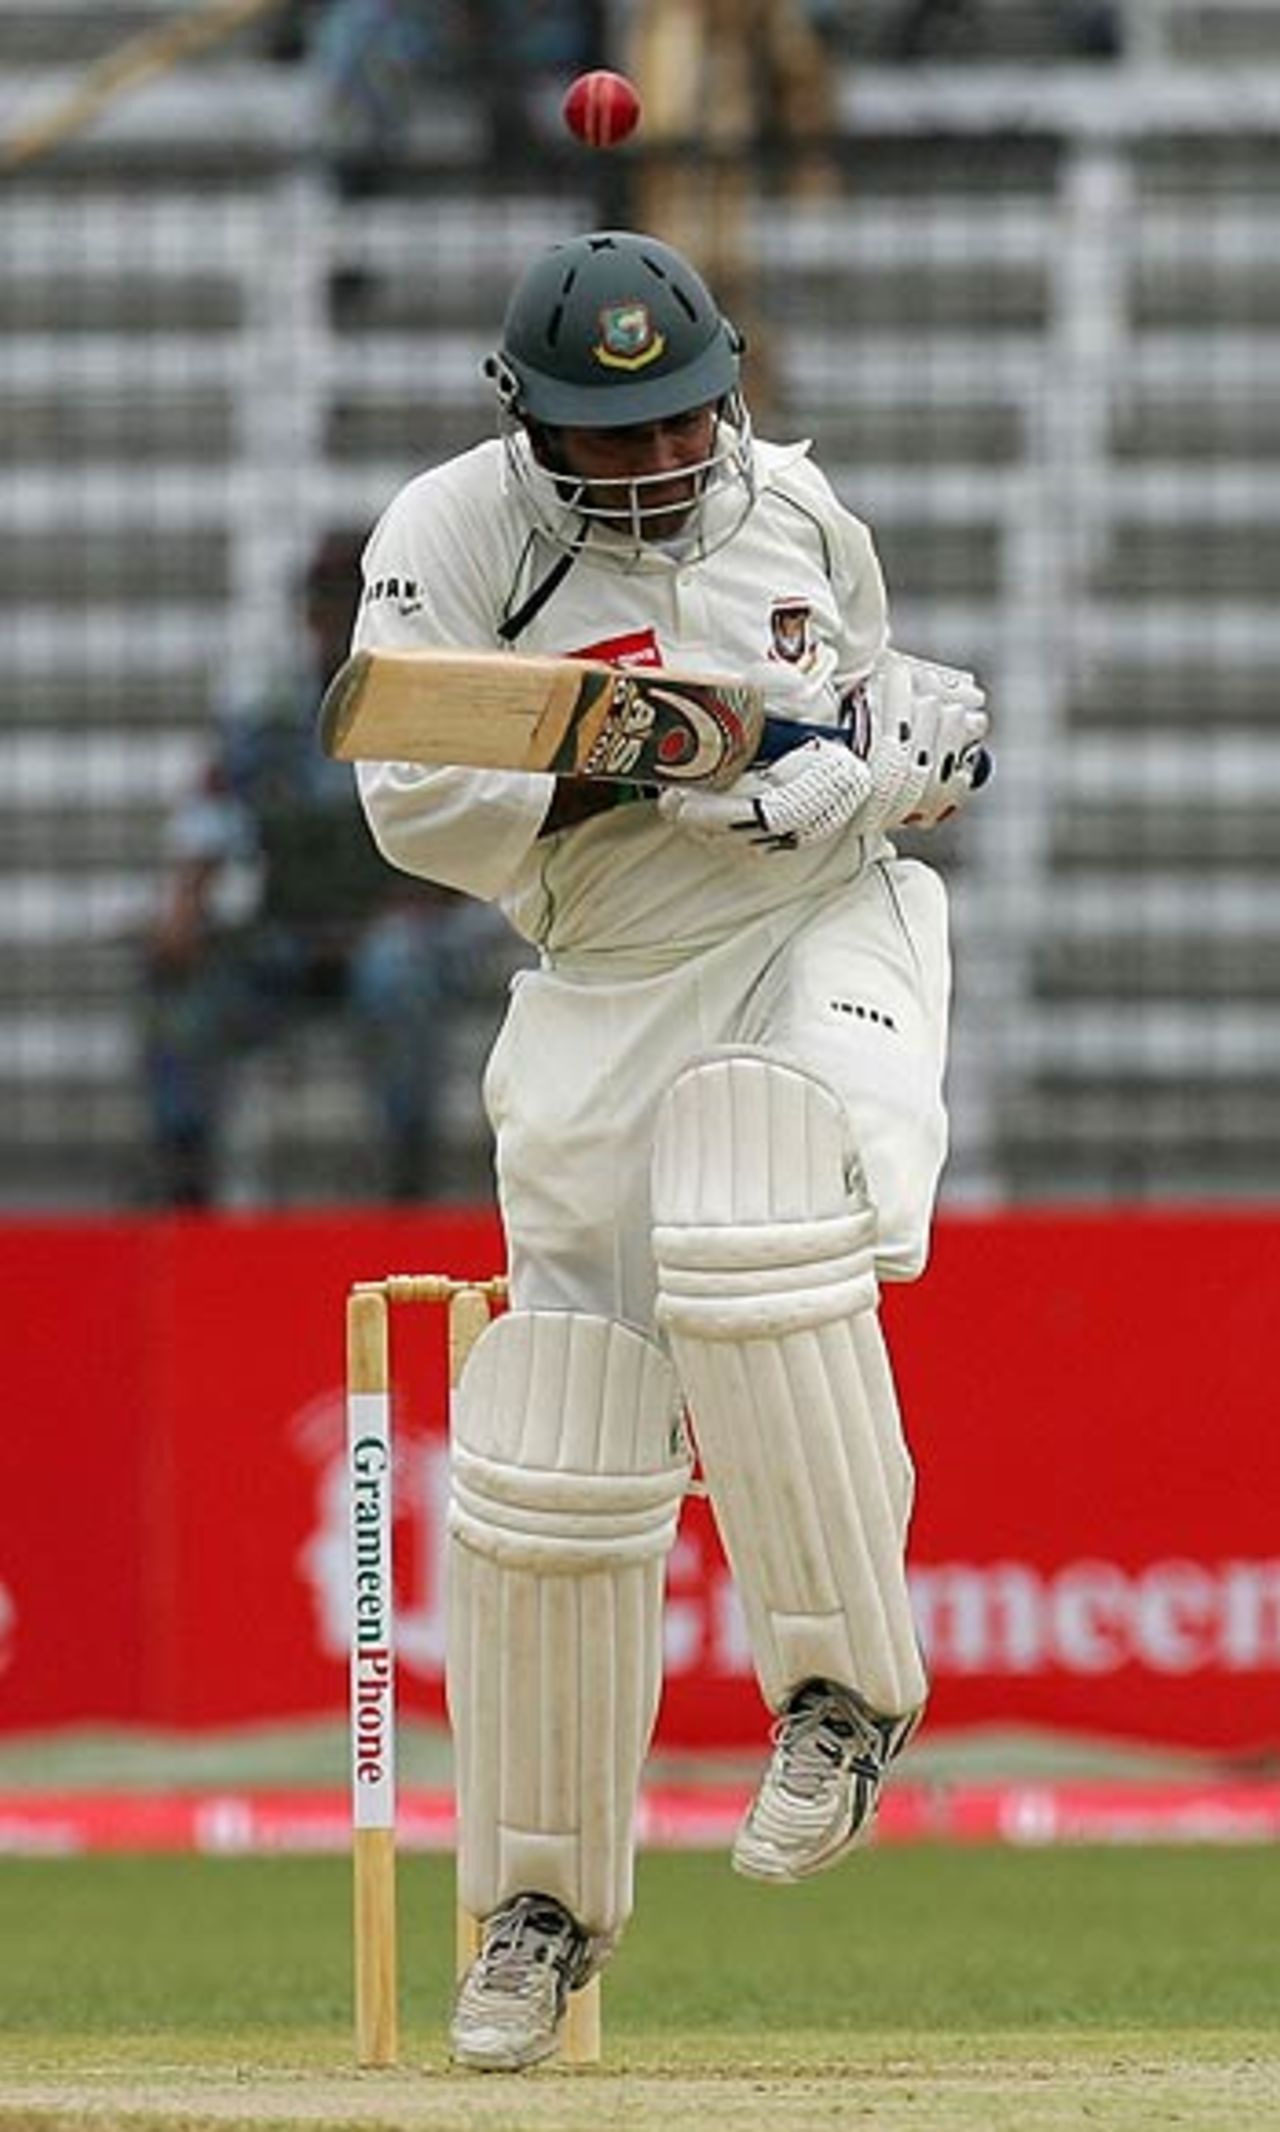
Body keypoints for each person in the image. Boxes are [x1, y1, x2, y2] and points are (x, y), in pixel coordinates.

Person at [350, 228, 990, 2069]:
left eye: (672, 426)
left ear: (724, 397)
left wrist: (887, 752)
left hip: (820, 925)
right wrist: (674, 763)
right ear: (523, 422)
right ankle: (539, 1909)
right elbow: (413, 797)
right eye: (599, 438)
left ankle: (843, 1699)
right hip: (606, 965)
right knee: (558, 1421)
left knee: (757, 1202)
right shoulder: (453, 533)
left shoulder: (794, 505)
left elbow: (881, 709)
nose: (644, 466)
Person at [142, 529, 496, 1208]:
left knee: (397, 972)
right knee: (186, 988)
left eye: (351, 602)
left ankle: (405, 1177)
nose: (336, 619)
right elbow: (212, 815)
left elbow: (480, 834)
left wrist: (422, 905)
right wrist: (184, 907)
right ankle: (182, 1180)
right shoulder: (270, 722)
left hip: (399, 932)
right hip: (291, 935)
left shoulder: (435, 710)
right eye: (326, 603)